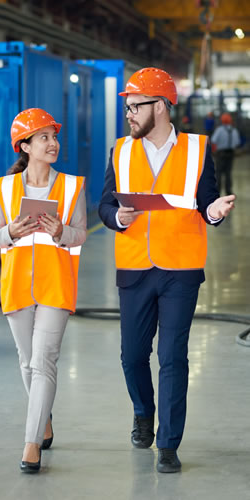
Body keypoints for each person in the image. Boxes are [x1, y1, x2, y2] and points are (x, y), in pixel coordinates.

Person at [98, 68, 236, 474]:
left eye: (135, 107)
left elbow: (207, 201)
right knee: (133, 356)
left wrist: (213, 212)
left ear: (159, 106)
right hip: (135, 268)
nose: (128, 114)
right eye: (126, 108)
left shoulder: (197, 149)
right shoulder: (120, 151)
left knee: (173, 357)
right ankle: (143, 411)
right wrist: (117, 217)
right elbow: (104, 205)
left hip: (180, 269)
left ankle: (168, 443)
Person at [0, 108, 87, 473]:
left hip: (55, 285)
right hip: (17, 286)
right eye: (43, 137)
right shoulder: (6, 187)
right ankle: (43, 418)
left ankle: (31, 444)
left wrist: (61, 231)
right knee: (27, 361)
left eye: (54, 137)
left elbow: (81, 233)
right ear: (25, 146)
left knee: (44, 361)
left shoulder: (71, 186)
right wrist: (12, 232)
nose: (53, 143)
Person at [211, 112, 241, 195]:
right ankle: (229, 191)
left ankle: (217, 191)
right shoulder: (234, 130)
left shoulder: (219, 130)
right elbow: (237, 143)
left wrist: (214, 151)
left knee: (218, 173)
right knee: (228, 172)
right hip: (230, 154)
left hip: (220, 154)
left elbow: (213, 141)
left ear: (222, 120)